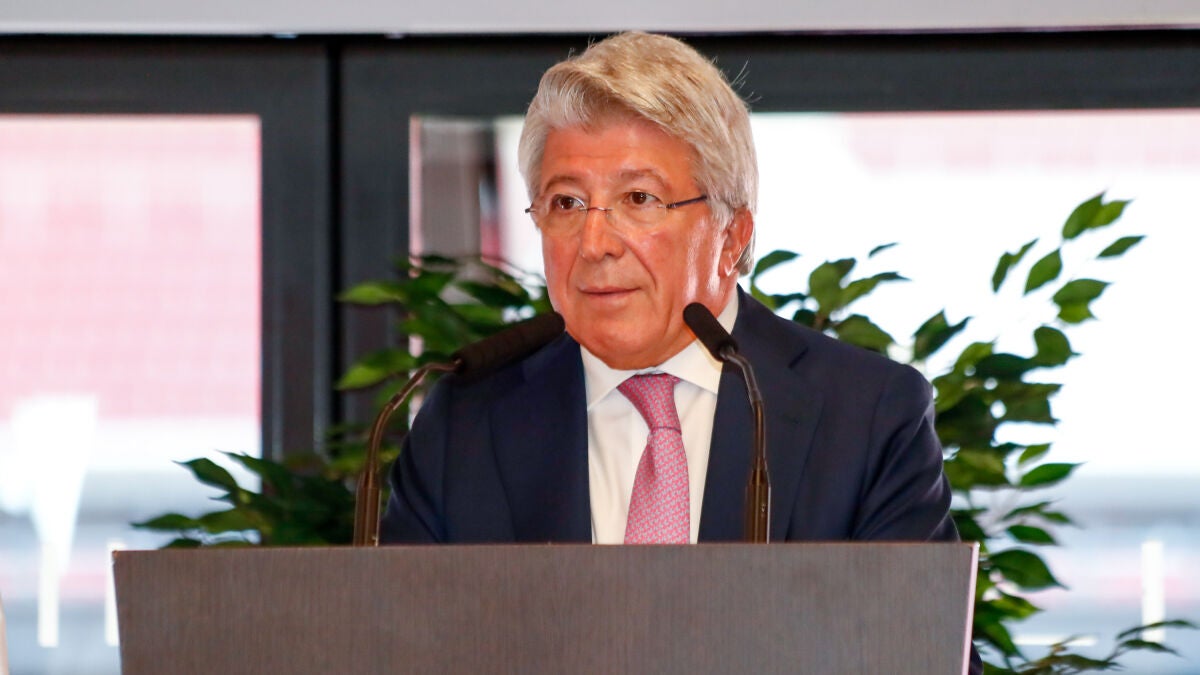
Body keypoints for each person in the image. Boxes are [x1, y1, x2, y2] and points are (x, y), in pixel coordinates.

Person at [381, 30, 959, 547]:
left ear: (732, 236)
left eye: (639, 199)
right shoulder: (464, 424)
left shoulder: (867, 418)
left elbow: (911, 631)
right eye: (567, 202)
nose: (594, 243)